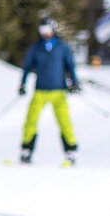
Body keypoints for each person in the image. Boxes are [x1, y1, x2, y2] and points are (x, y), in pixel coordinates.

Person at [18, 17, 80, 165]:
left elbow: (70, 66)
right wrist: (23, 83)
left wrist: (74, 82)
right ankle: (27, 150)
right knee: (31, 120)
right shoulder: (36, 47)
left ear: (53, 29)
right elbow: (27, 66)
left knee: (65, 122)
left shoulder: (62, 47)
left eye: (47, 29)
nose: (44, 33)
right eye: (42, 30)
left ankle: (70, 150)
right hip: (40, 91)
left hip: (59, 91)